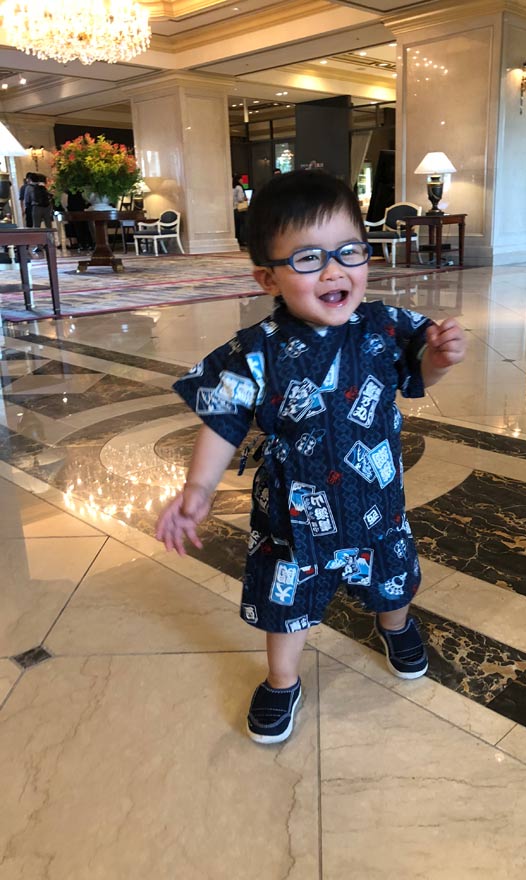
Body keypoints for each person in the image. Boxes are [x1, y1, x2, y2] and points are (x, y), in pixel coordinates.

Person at [156, 169, 466, 745]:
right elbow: (222, 421)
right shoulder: (255, 351)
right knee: (285, 602)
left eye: (349, 251)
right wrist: (197, 489)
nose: (334, 271)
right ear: (267, 278)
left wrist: (439, 359)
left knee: (392, 580)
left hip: (376, 507)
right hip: (293, 519)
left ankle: (395, 627)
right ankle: (282, 680)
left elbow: (418, 375)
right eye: (307, 259)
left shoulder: (383, 328)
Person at [25, 173, 54, 254]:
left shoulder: (29, 187)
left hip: (36, 207)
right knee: (49, 227)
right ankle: (51, 243)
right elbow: (50, 196)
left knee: (37, 227)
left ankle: (39, 246)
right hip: (46, 207)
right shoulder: (43, 187)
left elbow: (27, 200)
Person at [232, 173, 248, 246]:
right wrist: (245, 198)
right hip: (239, 209)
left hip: (233, 208)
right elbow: (240, 199)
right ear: (238, 180)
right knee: (242, 224)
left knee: (236, 225)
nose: (242, 181)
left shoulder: (232, 187)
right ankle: (242, 240)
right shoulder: (239, 187)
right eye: (241, 179)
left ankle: (237, 239)